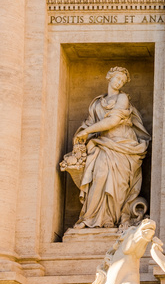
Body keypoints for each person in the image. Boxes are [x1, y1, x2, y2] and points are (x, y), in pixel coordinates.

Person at [61, 66, 149, 228]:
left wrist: (87, 131)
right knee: (99, 176)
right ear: (109, 77)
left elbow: (113, 121)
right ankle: (90, 218)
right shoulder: (96, 103)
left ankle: (111, 219)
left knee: (118, 184)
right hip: (103, 145)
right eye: (117, 78)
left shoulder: (122, 98)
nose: (119, 82)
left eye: (122, 81)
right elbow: (90, 123)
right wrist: (81, 136)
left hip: (123, 146)